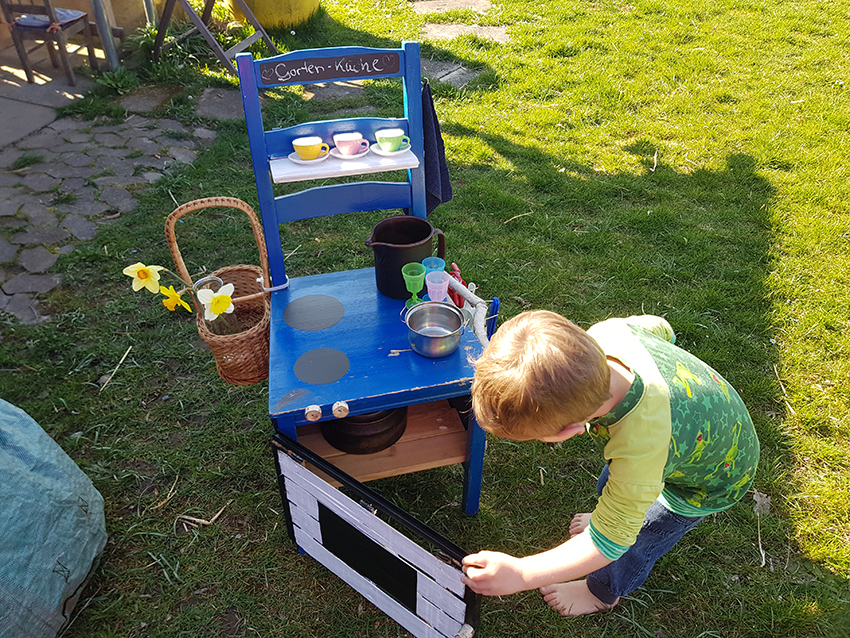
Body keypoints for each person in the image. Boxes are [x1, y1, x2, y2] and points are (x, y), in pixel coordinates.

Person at [461, 311, 759, 616]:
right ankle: (610, 517)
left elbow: (611, 541)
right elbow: (660, 328)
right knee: (614, 485)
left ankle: (603, 592)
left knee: (642, 532)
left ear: (571, 432)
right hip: (710, 416)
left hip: (716, 475)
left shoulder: (642, 443)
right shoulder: (607, 335)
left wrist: (523, 572)